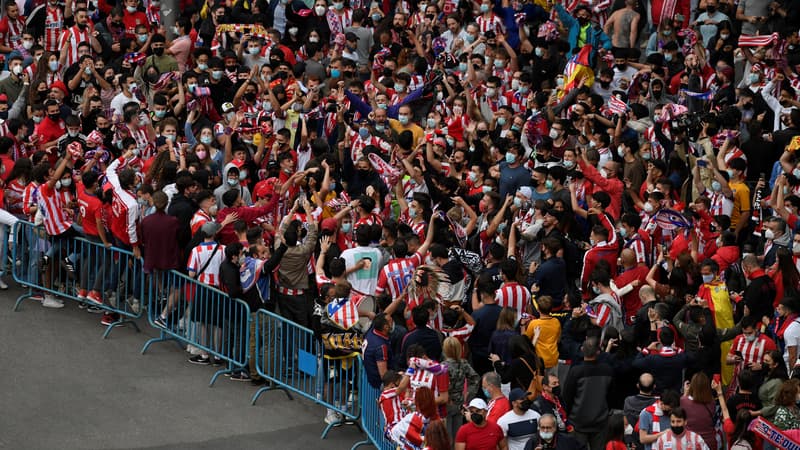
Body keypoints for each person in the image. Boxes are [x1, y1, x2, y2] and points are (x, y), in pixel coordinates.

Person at [563, 337, 614, 450]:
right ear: (598, 351)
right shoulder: (607, 370)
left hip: (578, 421)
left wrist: (568, 416)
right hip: (600, 420)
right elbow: (610, 396)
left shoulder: (576, 371)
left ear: (582, 350)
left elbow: (567, 396)